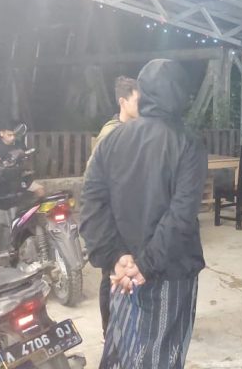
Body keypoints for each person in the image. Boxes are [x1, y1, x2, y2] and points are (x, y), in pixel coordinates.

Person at [80, 59, 207, 369]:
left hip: (122, 271)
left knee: (121, 348)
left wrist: (116, 258)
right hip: (169, 272)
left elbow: (92, 205)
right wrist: (144, 265)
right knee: (160, 355)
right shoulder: (187, 142)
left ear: (143, 92)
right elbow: (182, 214)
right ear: (181, 94)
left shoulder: (111, 140)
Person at [88, 76, 139, 340]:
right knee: (109, 274)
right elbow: (94, 182)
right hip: (112, 216)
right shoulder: (110, 134)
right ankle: (109, 331)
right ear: (123, 101)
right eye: (138, 100)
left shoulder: (138, 130)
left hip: (131, 216)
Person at [0, 120, 44, 263]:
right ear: (2, 133)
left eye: (14, 135)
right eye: (9, 134)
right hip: (2, 182)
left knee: (40, 190)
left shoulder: (18, 144)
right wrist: (2, 161)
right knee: (4, 215)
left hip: (19, 179)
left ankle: (37, 220)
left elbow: (25, 156)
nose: (12, 137)